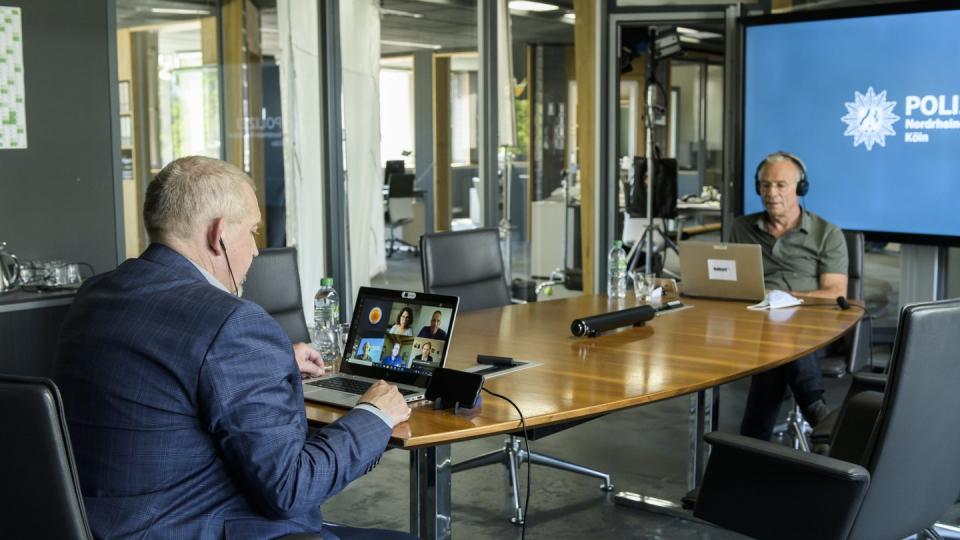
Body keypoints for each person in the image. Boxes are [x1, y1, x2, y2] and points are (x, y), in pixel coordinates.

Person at [55, 156, 415, 540]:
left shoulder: (96, 295)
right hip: (199, 528)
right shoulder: (230, 323)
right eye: (253, 232)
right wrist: (373, 416)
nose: (257, 251)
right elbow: (291, 489)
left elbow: (167, 379)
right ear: (219, 235)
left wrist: (269, 362)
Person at [733, 151, 848, 441]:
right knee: (775, 338)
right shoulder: (742, 228)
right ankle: (817, 410)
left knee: (782, 341)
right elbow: (730, 282)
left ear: (800, 188)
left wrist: (784, 297)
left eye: (781, 185)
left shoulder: (827, 233)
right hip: (753, 323)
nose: (771, 193)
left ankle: (750, 444)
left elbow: (835, 293)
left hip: (811, 327)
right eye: (765, 185)